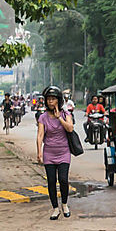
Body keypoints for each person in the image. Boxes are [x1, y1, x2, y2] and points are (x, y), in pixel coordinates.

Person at [35, 86, 75, 221]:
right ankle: (55, 208)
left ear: (59, 101)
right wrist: (39, 152)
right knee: (51, 181)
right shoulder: (43, 117)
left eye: (53, 99)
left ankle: (64, 204)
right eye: (48, 99)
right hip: (49, 154)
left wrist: (60, 119)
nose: (50, 102)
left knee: (63, 180)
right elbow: (40, 136)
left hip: (64, 152)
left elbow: (70, 128)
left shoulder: (66, 114)